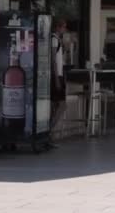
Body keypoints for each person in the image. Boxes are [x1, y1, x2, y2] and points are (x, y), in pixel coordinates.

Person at [49, 19, 67, 147]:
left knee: (56, 105)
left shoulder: (57, 40)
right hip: (56, 76)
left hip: (59, 75)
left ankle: (49, 132)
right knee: (61, 104)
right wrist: (56, 78)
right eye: (63, 27)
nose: (64, 30)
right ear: (58, 27)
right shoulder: (54, 39)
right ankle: (49, 131)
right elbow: (53, 60)